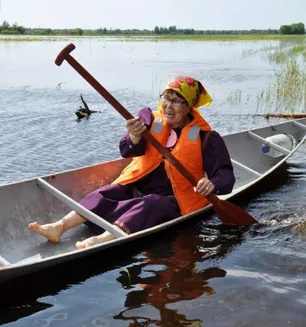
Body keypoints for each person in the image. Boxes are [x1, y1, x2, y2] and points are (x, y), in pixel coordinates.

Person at [28, 75, 235, 249]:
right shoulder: (150, 119)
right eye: (166, 98)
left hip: (174, 199)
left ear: (189, 106)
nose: (168, 106)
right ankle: (59, 227)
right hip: (137, 186)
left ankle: (102, 240)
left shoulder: (206, 138)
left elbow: (226, 176)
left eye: (176, 101)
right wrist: (134, 137)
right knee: (105, 193)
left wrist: (212, 184)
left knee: (151, 204)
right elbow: (126, 150)